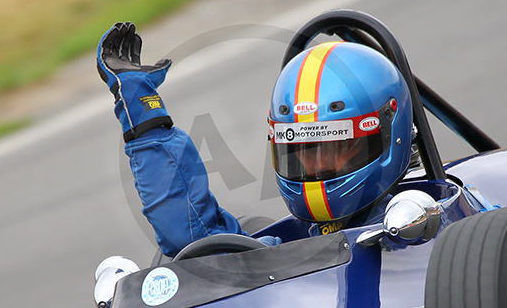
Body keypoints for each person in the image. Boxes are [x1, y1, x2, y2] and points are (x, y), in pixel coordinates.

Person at [96, 22, 413, 256]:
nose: (316, 165)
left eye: (337, 147)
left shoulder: (431, 228)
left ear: (386, 136)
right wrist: (144, 114)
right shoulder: (284, 254)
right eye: (301, 148)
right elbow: (194, 240)